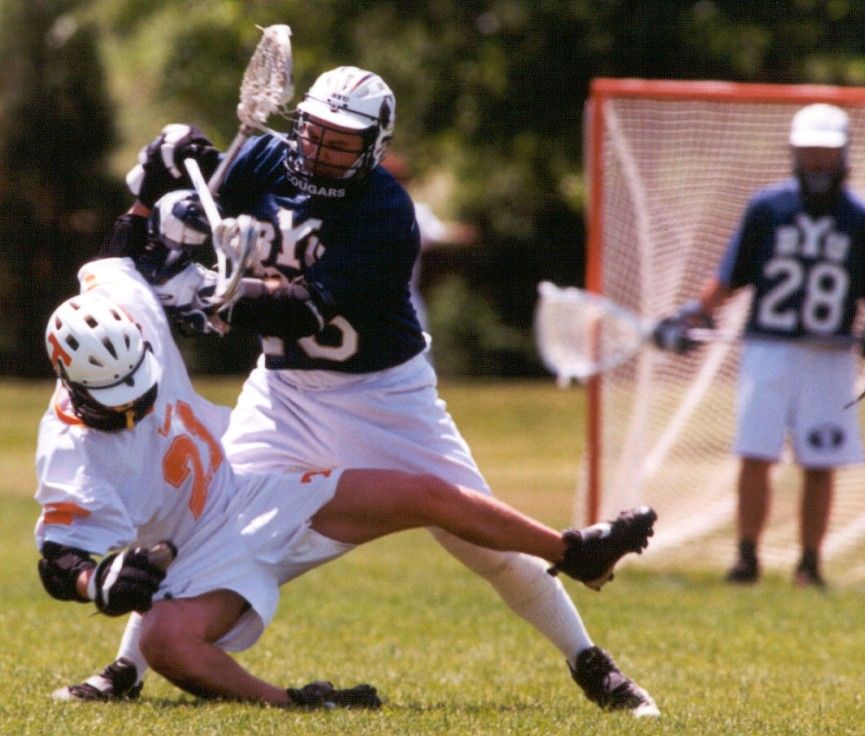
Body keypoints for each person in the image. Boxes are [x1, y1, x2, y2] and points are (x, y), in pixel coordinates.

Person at [62, 65, 660, 716]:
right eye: (315, 132)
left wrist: (211, 296)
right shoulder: (261, 161)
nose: (321, 149)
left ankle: (590, 661)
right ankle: (124, 669)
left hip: (384, 395)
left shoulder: (384, 211)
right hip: (285, 392)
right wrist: (168, 165)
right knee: (196, 515)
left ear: (372, 146)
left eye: (341, 140)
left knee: (481, 544)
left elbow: (302, 310)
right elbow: (176, 203)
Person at [36, 255, 657, 707]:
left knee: (427, 495)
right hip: (221, 510)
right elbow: (59, 559)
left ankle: (574, 552)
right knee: (166, 638)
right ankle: (290, 701)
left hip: (284, 462)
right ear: (70, 381)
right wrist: (96, 581)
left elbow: (124, 253)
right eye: (112, 399)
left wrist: (156, 189)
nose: (132, 407)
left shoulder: (130, 310)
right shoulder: (71, 449)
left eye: (136, 386)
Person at [652, 103, 865, 589]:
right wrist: (695, 314)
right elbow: (732, 276)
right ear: (795, 153)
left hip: (830, 357)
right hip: (768, 350)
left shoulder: (858, 220)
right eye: (810, 152)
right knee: (756, 453)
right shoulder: (767, 209)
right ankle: (746, 558)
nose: (817, 162)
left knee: (820, 461)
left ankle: (809, 564)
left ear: (843, 155)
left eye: (826, 153)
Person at [380, 151, 477, 331]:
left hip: (399, 301)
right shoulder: (411, 213)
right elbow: (439, 233)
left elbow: (438, 232)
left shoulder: (412, 213)